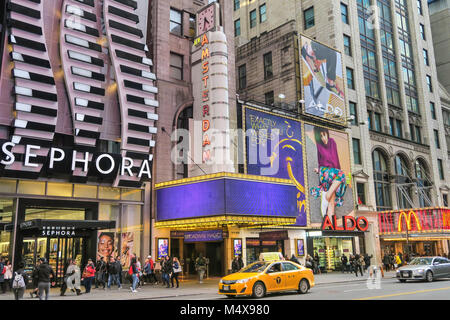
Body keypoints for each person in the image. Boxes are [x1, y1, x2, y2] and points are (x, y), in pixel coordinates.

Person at [310, 127, 347, 217]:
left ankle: (330, 222)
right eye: (321, 136)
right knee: (341, 174)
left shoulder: (332, 142)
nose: (323, 138)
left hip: (334, 173)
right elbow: (320, 162)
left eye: (324, 135)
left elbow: (336, 159)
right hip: (325, 172)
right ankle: (326, 196)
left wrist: (337, 174)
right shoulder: (320, 146)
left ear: (327, 133)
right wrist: (319, 171)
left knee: (332, 200)